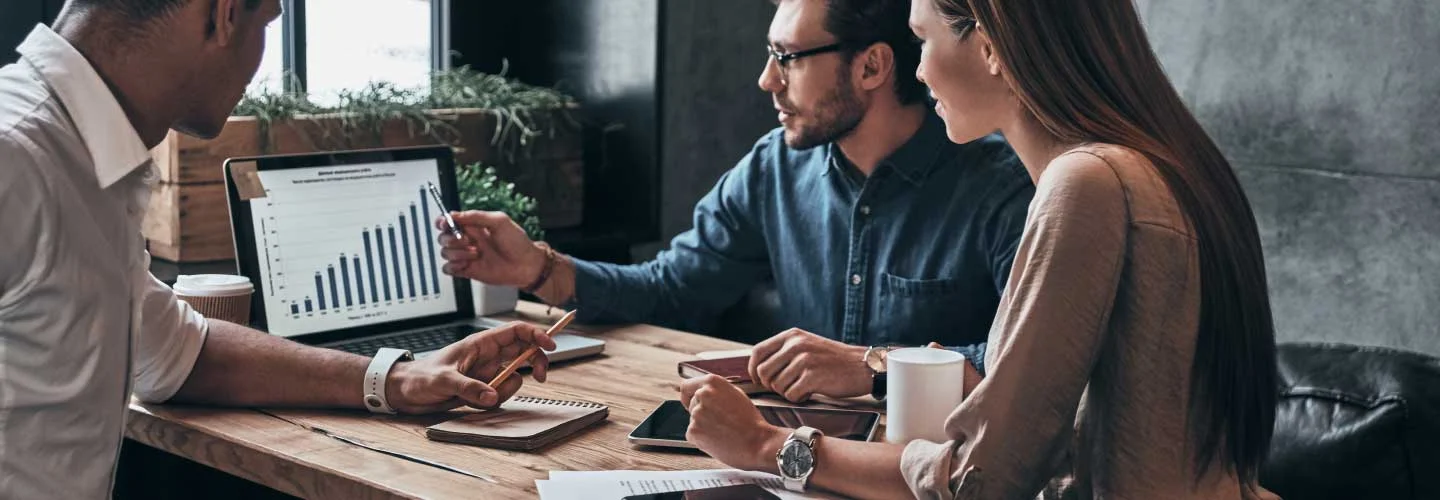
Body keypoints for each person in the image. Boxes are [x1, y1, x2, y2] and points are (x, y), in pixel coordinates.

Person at [679, 0, 1282, 498]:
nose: (915, 73)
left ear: (992, 45)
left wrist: (767, 445)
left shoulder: (1086, 185)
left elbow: (981, 481)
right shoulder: (1158, 165)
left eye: (923, 42)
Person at [0, 1, 555, 497]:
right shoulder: (16, 157)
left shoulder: (78, 156)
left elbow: (175, 352)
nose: (264, 59)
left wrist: (397, 379)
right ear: (221, 14)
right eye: (266, 22)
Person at [439, 0, 1032, 403]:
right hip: (791, 459)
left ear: (872, 66)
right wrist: (539, 268)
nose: (767, 80)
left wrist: (871, 365)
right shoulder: (774, 167)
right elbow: (675, 291)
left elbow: (1027, 365)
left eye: (788, 58)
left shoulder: (1002, 187)